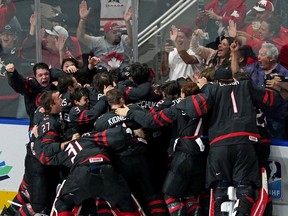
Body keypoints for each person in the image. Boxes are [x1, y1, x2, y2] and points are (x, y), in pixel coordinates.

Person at [33, 90, 142, 216]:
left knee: (63, 205)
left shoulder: (68, 148)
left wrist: (36, 139)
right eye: (58, 98)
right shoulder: (89, 136)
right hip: (106, 169)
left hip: (81, 174)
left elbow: (44, 158)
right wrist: (131, 132)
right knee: (126, 204)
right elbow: (111, 136)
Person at [115, 80, 207, 216]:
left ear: (182, 94)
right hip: (203, 156)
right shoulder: (209, 105)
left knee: (171, 196)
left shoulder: (177, 107)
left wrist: (129, 113)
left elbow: (151, 121)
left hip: (184, 155)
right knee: (190, 197)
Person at [76, 0, 133, 70]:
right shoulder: (98, 41)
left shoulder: (123, 40)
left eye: (118, 31)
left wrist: (127, 22)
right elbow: (80, 37)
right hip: (103, 74)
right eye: (114, 32)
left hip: (122, 73)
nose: (118, 34)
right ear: (106, 34)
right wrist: (82, 19)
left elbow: (131, 38)